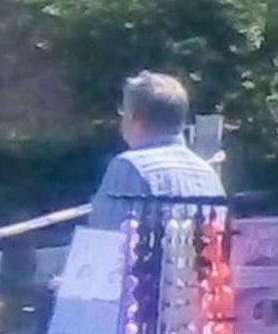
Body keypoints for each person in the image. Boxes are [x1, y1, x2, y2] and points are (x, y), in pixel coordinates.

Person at [88, 71, 223, 238]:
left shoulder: (129, 166)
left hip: (149, 264)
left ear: (135, 118)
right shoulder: (208, 173)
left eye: (123, 110)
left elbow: (103, 242)